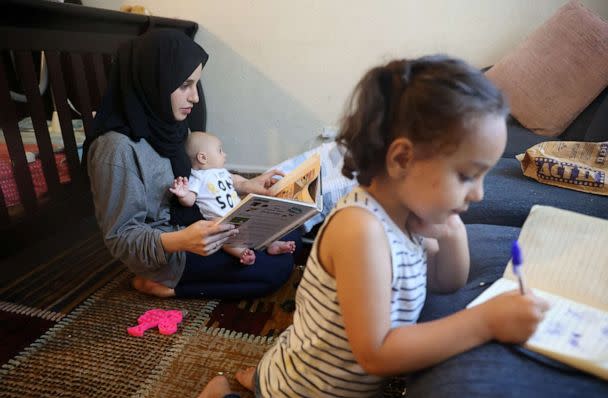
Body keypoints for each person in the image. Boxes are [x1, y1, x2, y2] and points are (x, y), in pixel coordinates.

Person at [197, 55, 550, 398]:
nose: (479, 193)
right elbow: (376, 352)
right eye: (467, 176)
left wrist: (453, 230)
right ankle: (230, 389)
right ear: (401, 159)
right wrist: (485, 322)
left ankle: (260, 377)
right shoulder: (360, 230)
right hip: (308, 389)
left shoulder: (408, 216)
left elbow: (446, 283)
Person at [85, 29, 301, 300]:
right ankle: (163, 285)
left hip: (201, 228)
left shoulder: (171, 125)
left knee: (293, 229)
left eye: (196, 84)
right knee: (274, 270)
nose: (195, 97)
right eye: (185, 85)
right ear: (154, 81)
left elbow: (201, 176)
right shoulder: (115, 150)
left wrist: (247, 184)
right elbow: (121, 238)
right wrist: (182, 240)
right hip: (170, 250)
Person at [169, 131, 296, 265]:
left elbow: (238, 182)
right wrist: (183, 195)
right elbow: (190, 200)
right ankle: (242, 253)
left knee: (258, 224)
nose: (225, 154)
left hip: (241, 212)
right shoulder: (198, 177)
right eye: (220, 151)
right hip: (221, 220)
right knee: (223, 236)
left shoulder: (222, 172)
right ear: (203, 158)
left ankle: (272, 244)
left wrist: (255, 184)